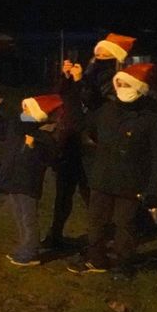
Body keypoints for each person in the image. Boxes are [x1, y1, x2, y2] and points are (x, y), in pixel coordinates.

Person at [69, 63, 157, 278]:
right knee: (96, 223)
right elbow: (85, 125)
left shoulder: (153, 118)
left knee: (125, 225)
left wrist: (154, 191)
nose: (122, 86)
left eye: (127, 83)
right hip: (103, 178)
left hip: (131, 183)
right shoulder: (107, 110)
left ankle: (124, 265)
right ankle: (97, 260)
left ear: (139, 87)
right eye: (119, 82)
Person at [0, 94, 64, 266]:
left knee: (28, 218)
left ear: (37, 113)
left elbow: (50, 157)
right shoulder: (18, 126)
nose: (23, 110)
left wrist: (33, 147)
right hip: (12, 178)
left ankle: (31, 251)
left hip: (28, 182)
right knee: (19, 216)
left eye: (27, 108)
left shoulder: (43, 135)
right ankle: (25, 246)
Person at [43, 59, 88, 249]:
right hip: (68, 149)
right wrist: (65, 75)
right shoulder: (67, 92)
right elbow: (59, 93)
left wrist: (79, 80)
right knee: (62, 197)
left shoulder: (88, 90)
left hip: (87, 151)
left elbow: (87, 100)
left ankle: (100, 238)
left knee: (91, 196)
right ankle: (55, 235)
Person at [79, 33, 134, 112]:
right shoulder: (90, 73)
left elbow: (93, 102)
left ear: (117, 59)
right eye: (97, 55)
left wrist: (81, 81)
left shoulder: (121, 82)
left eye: (105, 56)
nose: (100, 59)